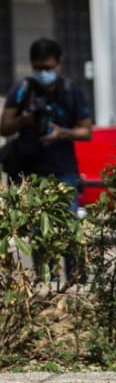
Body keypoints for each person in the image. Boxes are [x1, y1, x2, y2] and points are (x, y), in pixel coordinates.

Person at [0, 37, 92, 282]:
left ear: (59, 64)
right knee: (40, 231)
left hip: (63, 171)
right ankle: (47, 283)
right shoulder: (22, 91)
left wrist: (62, 132)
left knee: (69, 228)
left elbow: (87, 131)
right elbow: (4, 127)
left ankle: (76, 281)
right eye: (39, 68)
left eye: (48, 68)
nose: (44, 73)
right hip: (30, 173)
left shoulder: (71, 92)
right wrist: (25, 120)